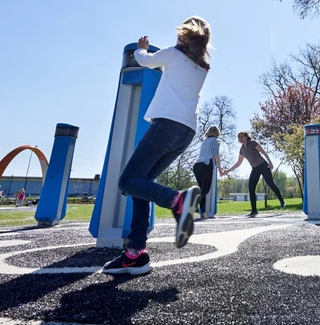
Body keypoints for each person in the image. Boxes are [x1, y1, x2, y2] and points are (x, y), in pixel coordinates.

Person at [103, 16, 212, 275]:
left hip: (166, 126)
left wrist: (141, 46)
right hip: (186, 131)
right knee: (142, 186)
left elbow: (144, 60)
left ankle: (178, 200)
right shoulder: (202, 67)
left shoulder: (173, 55)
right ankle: (135, 254)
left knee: (127, 182)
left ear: (184, 36)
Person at [222, 131, 285, 217]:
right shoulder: (242, 150)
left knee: (270, 183)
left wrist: (270, 162)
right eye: (239, 137)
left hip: (263, 165)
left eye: (242, 137)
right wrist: (227, 171)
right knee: (251, 188)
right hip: (255, 169)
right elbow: (238, 163)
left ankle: (282, 201)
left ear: (246, 137)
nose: (241, 139)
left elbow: (263, 152)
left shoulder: (253, 143)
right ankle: (254, 211)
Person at [193, 125, 224, 219]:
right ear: (217, 133)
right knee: (205, 190)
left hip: (197, 165)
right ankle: (193, 201)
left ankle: (203, 213)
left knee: (202, 190)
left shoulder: (204, 141)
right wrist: (220, 168)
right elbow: (216, 155)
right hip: (206, 165)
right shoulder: (216, 141)